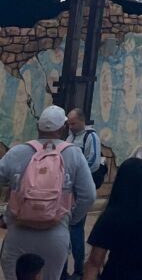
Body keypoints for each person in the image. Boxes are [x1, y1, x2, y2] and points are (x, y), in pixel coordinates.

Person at [0, 106, 94, 280]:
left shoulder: (17, 152)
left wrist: (4, 216)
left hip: (18, 231)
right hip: (55, 233)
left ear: (38, 128)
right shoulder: (74, 154)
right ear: (63, 128)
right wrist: (71, 219)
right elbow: (89, 195)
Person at [64, 109, 103, 279]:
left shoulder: (91, 137)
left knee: (76, 228)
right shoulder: (70, 137)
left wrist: (75, 173)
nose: (70, 126)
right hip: (67, 190)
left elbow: (93, 162)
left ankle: (79, 269)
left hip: (80, 191)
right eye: (69, 123)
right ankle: (63, 268)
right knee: (65, 228)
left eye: (73, 123)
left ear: (82, 121)